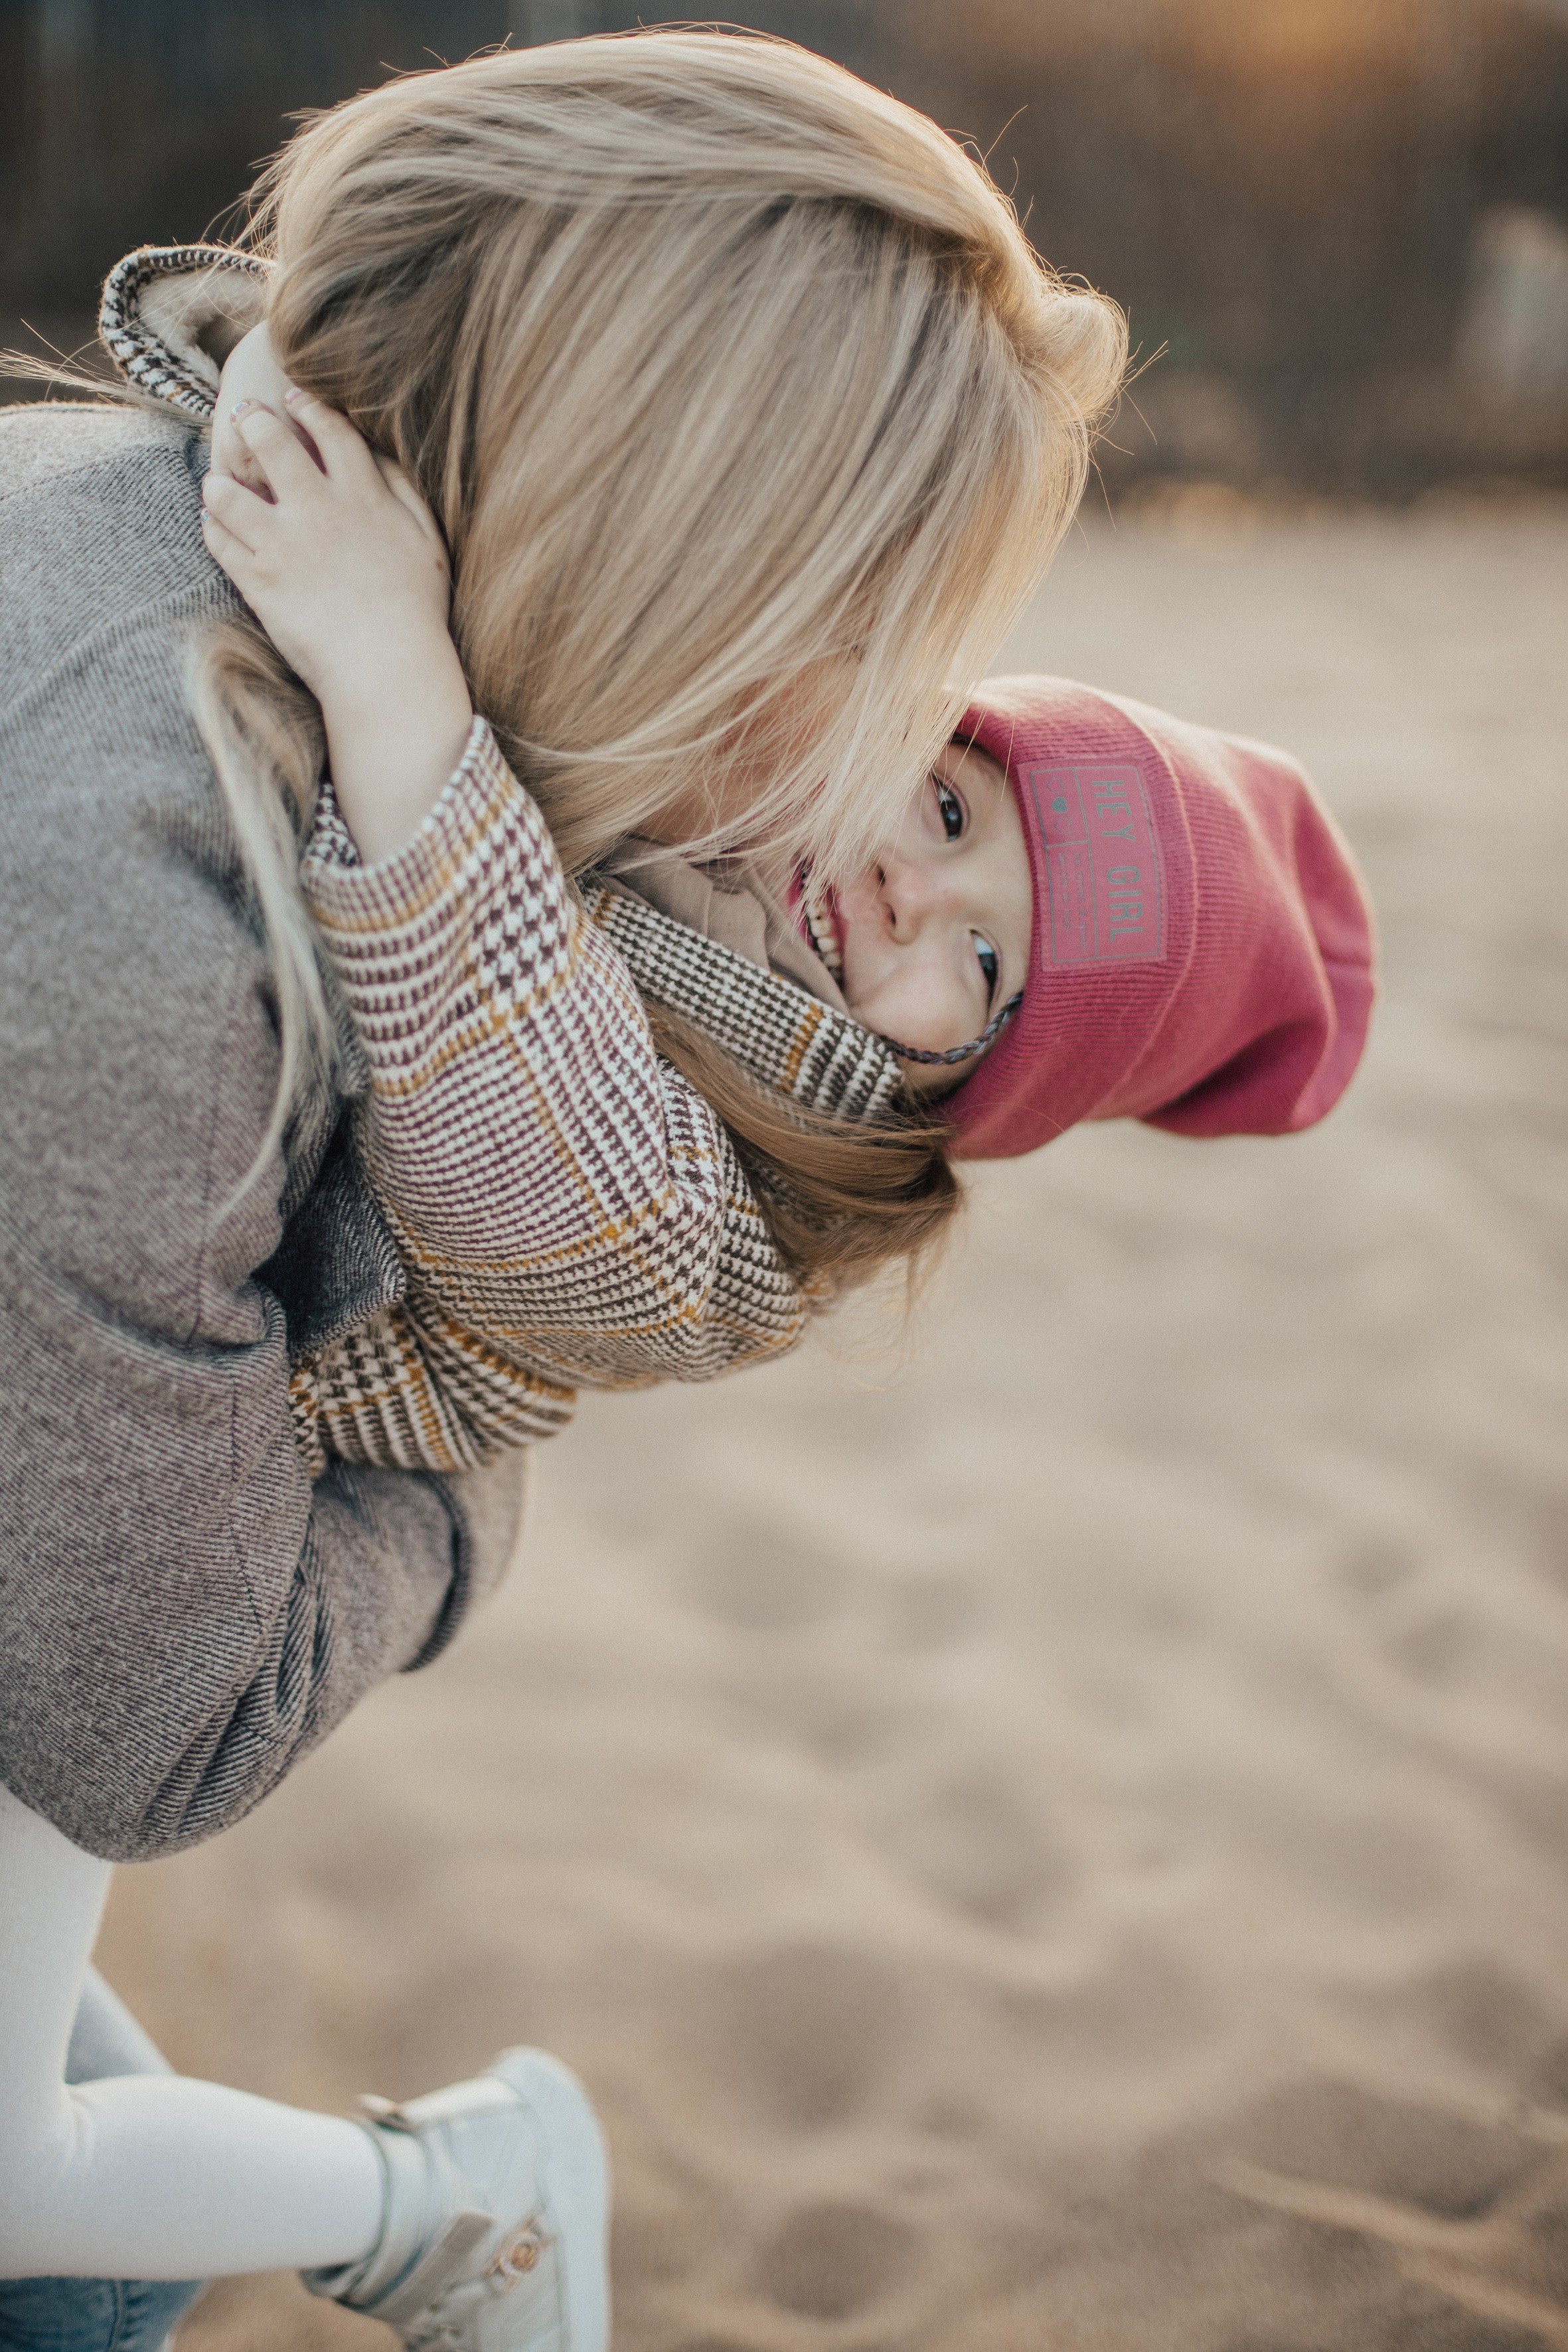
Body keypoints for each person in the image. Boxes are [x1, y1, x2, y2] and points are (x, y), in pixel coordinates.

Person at [0, 30, 1127, 2352]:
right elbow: (157, 1720)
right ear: (674, 536)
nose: (837, 781)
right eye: (848, 655)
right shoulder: (155, 837)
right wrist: (454, 1506)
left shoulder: (127, 495)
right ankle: (445, 2213)